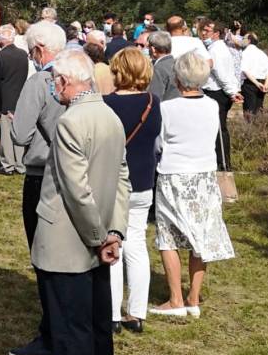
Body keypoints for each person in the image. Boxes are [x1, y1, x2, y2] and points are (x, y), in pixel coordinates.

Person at [31, 49, 128, 355]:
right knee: (98, 326)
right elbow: (122, 179)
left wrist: (101, 237)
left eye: (56, 81)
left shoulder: (70, 122)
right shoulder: (111, 116)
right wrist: (114, 232)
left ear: (67, 82)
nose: (54, 87)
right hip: (98, 237)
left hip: (69, 243)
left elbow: (76, 190)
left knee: (72, 331)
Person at [149, 54, 235, 318]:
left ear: (177, 78)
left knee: (168, 236)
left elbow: (158, 144)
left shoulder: (167, 109)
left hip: (174, 174)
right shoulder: (212, 106)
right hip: (204, 175)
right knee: (201, 236)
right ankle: (193, 296)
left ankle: (176, 299)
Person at [7, 19, 69, 355]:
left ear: (39, 50)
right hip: (79, 176)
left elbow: (19, 134)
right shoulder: (83, 72)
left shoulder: (40, 82)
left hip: (41, 174)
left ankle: (49, 335)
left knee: (44, 257)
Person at [103, 48, 160, 334]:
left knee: (112, 244)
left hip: (115, 182)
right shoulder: (153, 102)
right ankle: (136, 312)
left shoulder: (106, 104)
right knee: (136, 244)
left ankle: (112, 312)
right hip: (143, 180)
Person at [0, 24, 33, 176]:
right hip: (21, 98)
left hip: (5, 99)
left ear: (2, 40)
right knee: (19, 133)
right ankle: (20, 163)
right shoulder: (23, 54)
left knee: (6, 135)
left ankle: (8, 164)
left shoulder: (0, 57)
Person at [202, 21, 241, 172]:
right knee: (214, 128)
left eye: (208, 30)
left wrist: (232, 92)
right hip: (215, 91)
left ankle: (224, 164)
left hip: (217, 92)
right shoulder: (213, 48)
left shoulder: (217, 50)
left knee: (219, 129)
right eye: (203, 30)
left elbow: (222, 74)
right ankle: (218, 162)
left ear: (217, 33)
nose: (204, 33)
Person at [238, 32, 268, 120]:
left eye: (244, 39)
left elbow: (245, 70)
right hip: (262, 84)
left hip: (249, 83)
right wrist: (266, 84)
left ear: (249, 40)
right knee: (258, 110)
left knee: (249, 111)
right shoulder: (262, 53)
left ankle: (250, 132)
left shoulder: (245, 53)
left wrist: (256, 83)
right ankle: (259, 130)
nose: (242, 40)